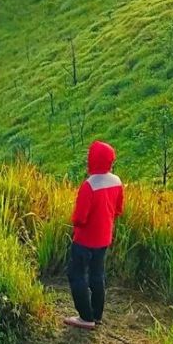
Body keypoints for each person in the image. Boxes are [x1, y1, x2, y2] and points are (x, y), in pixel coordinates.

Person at [63, 139, 123, 330]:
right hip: (104, 238)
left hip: (85, 239)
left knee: (77, 274)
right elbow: (118, 210)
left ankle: (85, 317)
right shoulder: (116, 181)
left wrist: (76, 224)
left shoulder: (89, 185)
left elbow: (79, 218)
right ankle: (97, 315)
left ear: (93, 159)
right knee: (97, 275)